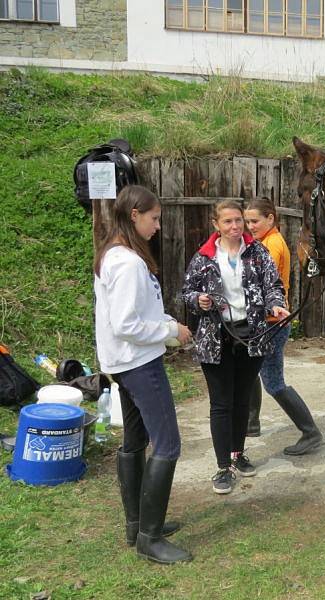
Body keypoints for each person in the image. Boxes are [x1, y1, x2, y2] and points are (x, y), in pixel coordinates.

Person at [93, 184, 193, 564]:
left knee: (135, 440)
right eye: (154, 219)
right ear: (135, 215)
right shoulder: (129, 262)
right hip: (139, 364)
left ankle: (137, 525)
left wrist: (169, 322)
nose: (157, 226)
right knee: (167, 444)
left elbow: (136, 313)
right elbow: (126, 324)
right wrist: (170, 333)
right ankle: (150, 539)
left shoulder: (115, 254)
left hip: (123, 363)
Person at [182, 200, 290, 495]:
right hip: (214, 339)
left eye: (239, 221)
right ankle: (222, 467)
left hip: (251, 336)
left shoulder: (258, 252)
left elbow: (273, 286)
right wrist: (198, 300)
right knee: (221, 403)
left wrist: (277, 305)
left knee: (242, 399)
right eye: (228, 221)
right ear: (216, 225)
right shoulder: (203, 257)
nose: (234, 226)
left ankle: (237, 454)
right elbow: (186, 291)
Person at [244, 199, 323, 454]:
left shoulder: (272, 246)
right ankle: (251, 423)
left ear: (271, 218)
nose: (250, 226)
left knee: (274, 383)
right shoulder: (265, 242)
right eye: (247, 221)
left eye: (254, 221)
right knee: (250, 373)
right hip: (266, 323)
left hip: (272, 325)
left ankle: (310, 433)